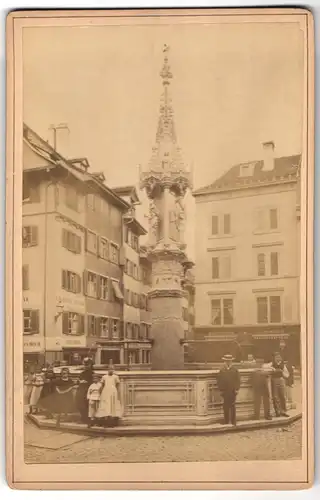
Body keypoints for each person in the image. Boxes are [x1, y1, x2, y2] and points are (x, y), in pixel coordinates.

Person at [217, 354, 240, 426]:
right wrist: (221, 390)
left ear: (231, 361)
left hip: (232, 390)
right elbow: (219, 380)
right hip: (225, 390)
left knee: (233, 405)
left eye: (229, 361)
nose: (228, 362)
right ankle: (226, 420)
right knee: (225, 406)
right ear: (224, 361)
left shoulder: (235, 370)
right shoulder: (222, 370)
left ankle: (233, 421)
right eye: (226, 361)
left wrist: (237, 389)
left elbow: (238, 380)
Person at [270, 352, 290, 417]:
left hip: (281, 380)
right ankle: (277, 412)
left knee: (283, 396)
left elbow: (287, 374)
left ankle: (284, 411)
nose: (278, 358)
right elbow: (264, 366)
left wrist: (282, 373)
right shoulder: (272, 364)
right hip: (274, 380)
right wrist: (272, 369)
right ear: (274, 358)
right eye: (276, 357)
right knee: (275, 397)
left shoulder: (283, 364)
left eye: (279, 357)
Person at [76, 357, 94, 424]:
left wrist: (86, 382)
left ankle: (86, 419)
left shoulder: (92, 373)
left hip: (88, 390)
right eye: (85, 365)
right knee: (79, 403)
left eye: (88, 365)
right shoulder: (82, 373)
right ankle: (83, 417)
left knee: (86, 404)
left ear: (91, 365)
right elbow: (78, 381)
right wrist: (79, 381)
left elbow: (93, 382)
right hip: (81, 390)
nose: (86, 366)